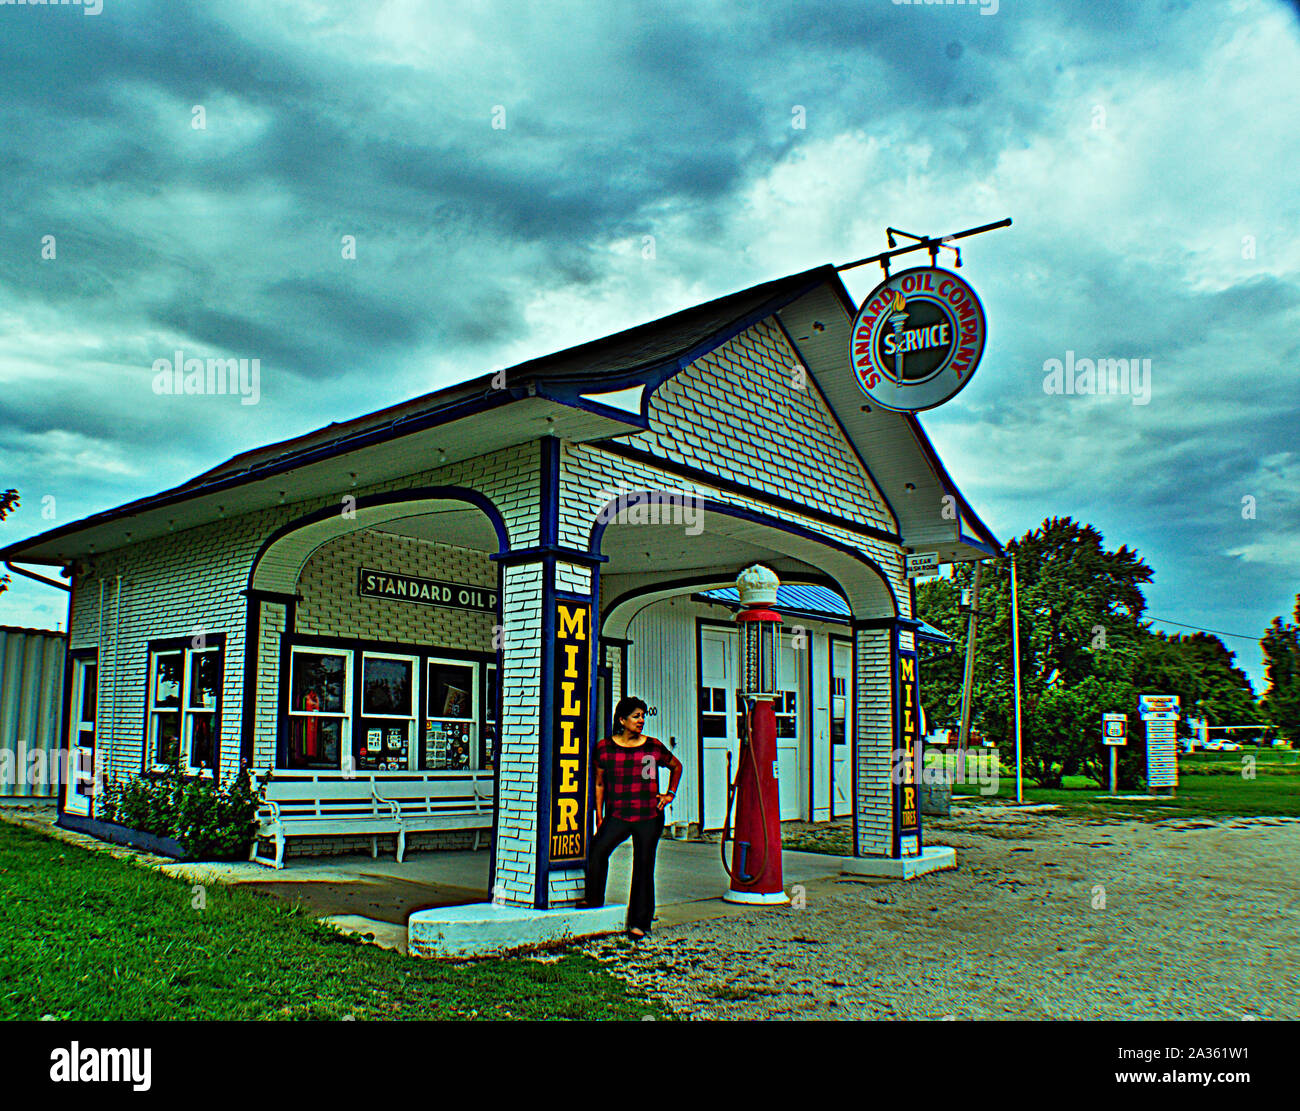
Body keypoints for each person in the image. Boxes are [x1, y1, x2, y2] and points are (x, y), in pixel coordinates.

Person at [577, 696, 682, 940]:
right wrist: (599, 815)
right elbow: (600, 783)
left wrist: (670, 794)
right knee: (597, 850)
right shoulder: (604, 748)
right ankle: (594, 903)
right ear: (622, 720)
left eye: (643, 716)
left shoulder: (653, 746)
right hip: (618, 814)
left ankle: (639, 922)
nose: (641, 720)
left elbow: (676, 766)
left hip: (649, 815)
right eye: (636, 716)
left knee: (643, 865)